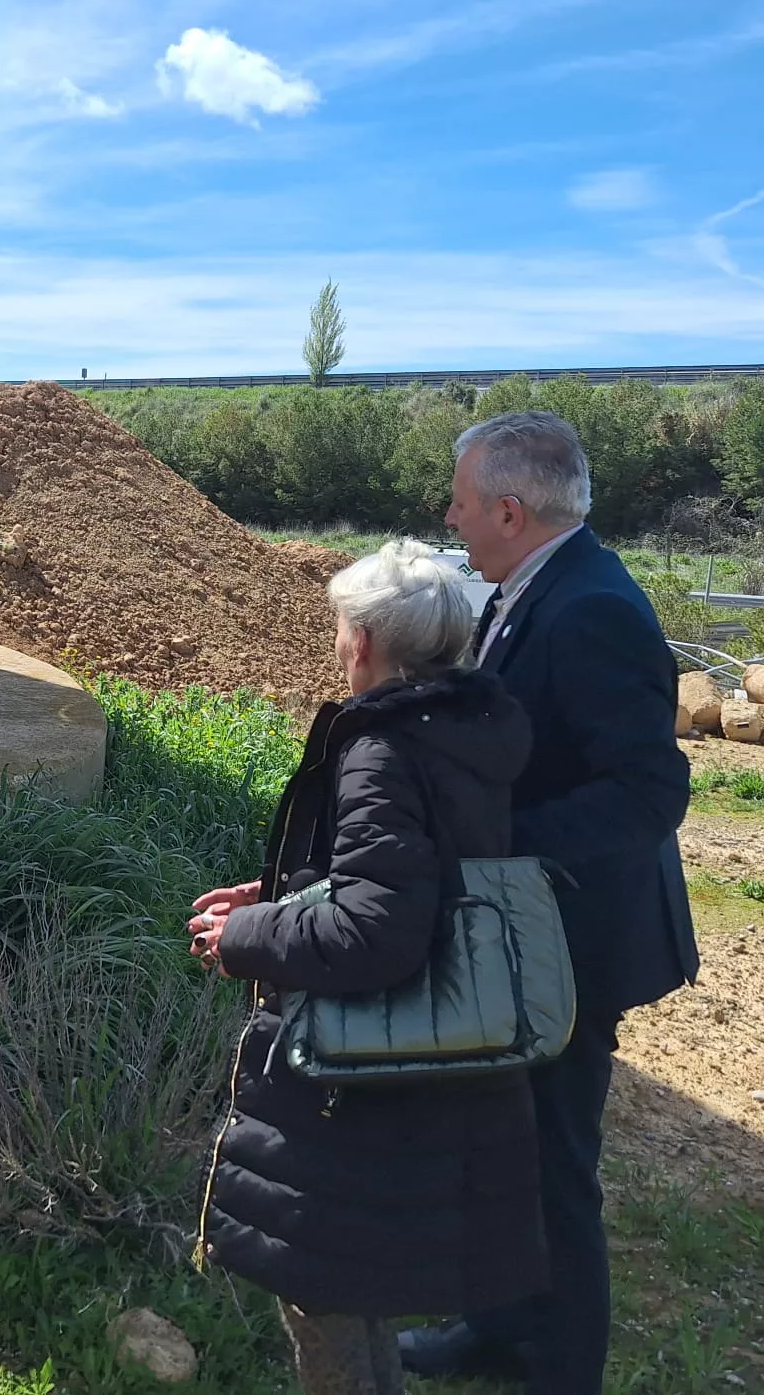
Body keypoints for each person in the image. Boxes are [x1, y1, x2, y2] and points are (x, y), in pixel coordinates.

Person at [189, 539, 545, 1395]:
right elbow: (424, 872)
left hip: (359, 1088)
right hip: (433, 1067)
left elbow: (379, 928)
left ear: (367, 643)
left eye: (342, 627)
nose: (337, 643)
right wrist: (283, 895)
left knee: (325, 1294)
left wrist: (244, 942)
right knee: (360, 1285)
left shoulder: (382, 748)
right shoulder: (468, 723)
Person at [398, 411, 697, 1395]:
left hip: (573, 937)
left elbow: (649, 791)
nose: (451, 515)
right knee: (502, 1143)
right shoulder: (532, 586)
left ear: (512, 511)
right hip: (530, 931)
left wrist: (500, 846)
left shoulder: (593, 607)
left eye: (463, 501)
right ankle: (493, 1329)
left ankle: (558, 1369)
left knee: (553, 1166)